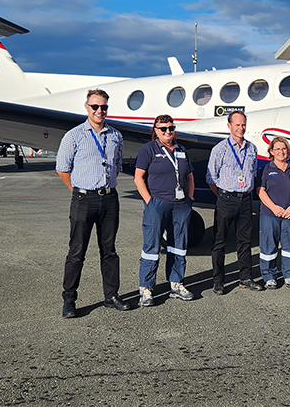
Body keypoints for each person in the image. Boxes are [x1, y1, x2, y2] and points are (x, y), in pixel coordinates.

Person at [56, 89, 132, 318]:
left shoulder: (116, 136)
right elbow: (62, 168)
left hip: (109, 199)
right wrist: (78, 191)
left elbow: (117, 165)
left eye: (104, 107)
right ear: (87, 108)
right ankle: (69, 300)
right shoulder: (74, 135)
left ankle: (111, 295)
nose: (100, 111)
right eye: (95, 107)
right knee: (77, 251)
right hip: (83, 199)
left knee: (109, 251)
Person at [134, 115, 195, 307]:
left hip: (181, 205)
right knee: (152, 248)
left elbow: (190, 176)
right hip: (158, 204)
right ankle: (146, 288)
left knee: (178, 246)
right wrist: (150, 202)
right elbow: (138, 178)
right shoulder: (149, 149)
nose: (168, 132)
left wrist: (190, 199)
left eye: (171, 128)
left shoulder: (181, 149)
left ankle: (176, 283)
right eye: (163, 129)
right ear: (155, 130)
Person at [206, 110, 262, 294]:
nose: (241, 128)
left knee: (244, 241)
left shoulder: (252, 148)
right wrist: (223, 195)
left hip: (245, 199)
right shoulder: (220, 149)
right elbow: (211, 177)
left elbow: (253, 174)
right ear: (229, 126)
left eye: (243, 124)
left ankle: (245, 277)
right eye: (237, 125)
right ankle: (218, 280)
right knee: (220, 241)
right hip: (226, 198)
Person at [258, 137, 290, 289]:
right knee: (268, 246)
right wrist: (273, 207)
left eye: (283, 148)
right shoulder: (266, 169)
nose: (281, 152)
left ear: (288, 150)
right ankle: (269, 276)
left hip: (289, 214)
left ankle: (289, 274)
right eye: (277, 149)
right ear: (271, 151)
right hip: (270, 214)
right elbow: (260, 190)